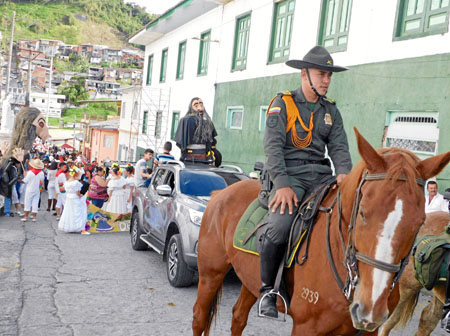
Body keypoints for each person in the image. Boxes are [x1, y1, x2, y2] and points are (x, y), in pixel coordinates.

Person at [258, 46, 352, 318]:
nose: (326, 80)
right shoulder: (283, 103)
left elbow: (339, 149)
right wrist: (283, 184)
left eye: (329, 75)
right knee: (279, 226)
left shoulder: (331, 110)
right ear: (304, 74)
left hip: (322, 177)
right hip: (290, 176)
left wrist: (345, 174)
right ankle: (268, 292)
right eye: (322, 74)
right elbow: (273, 148)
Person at [174, 97, 217, 162]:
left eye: (201, 105)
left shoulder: (207, 121)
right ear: (191, 107)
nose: (199, 108)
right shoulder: (186, 120)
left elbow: (211, 140)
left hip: (202, 156)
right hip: (191, 156)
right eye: (196, 105)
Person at [58, 165, 89, 235]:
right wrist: (82, 195)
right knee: (79, 212)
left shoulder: (66, 182)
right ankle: (80, 228)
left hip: (69, 198)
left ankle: (71, 226)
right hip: (75, 199)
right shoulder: (76, 183)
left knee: (70, 212)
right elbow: (78, 193)